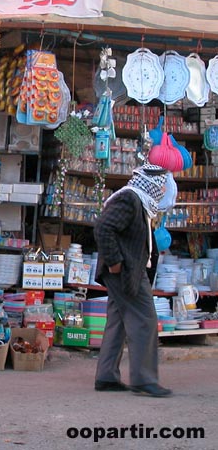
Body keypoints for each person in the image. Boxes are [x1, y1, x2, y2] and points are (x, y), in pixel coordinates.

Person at [93, 163, 173, 398]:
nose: (164, 190)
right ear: (152, 182)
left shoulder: (141, 202)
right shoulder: (130, 199)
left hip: (129, 270)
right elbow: (103, 228)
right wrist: (115, 262)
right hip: (126, 271)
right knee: (145, 320)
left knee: (117, 322)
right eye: (163, 185)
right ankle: (144, 379)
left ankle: (106, 376)